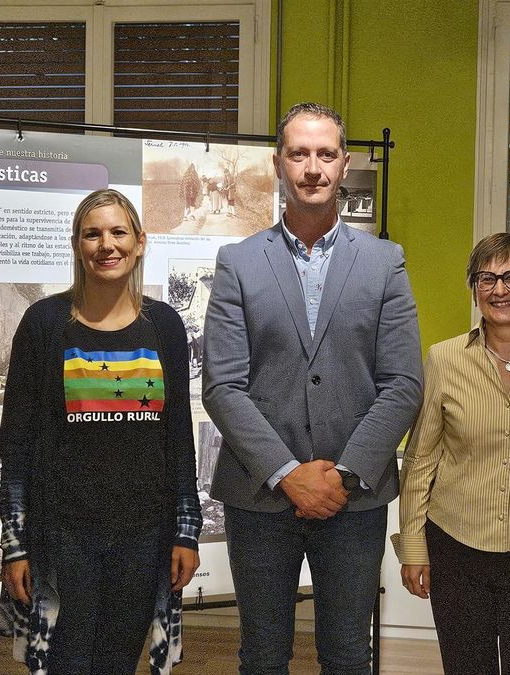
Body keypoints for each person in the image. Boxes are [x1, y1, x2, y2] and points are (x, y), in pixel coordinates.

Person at [202, 101, 423, 674]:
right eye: (299, 153)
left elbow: (402, 384)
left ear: (344, 164)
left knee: (349, 655)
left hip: (353, 498)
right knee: (264, 654)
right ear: (279, 164)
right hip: (261, 495)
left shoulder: (384, 262)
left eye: (326, 153)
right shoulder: (238, 262)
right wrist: (289, 474)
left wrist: (341, 475)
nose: (313, 167)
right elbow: (223, 386)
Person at [0, 189, 201, 674]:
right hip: (63, 533)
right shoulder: (44, 323)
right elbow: (16, 443)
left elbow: (178, 440)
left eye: (118, 232)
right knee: (66, 662)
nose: (106, 244)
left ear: (140, 242)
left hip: (144, 535)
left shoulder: (166, 326)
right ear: (77, 244)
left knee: (116, 662)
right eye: (92, 233)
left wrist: (186, 533)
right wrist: (16, 544)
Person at [393, 233, 510, 674]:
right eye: (487, 279)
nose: (500, 290)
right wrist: (414, 548)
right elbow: (422, 458)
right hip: (457, 546)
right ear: (474, 290)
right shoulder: (444, 359)